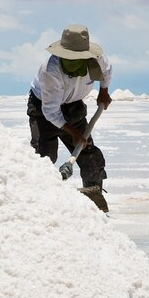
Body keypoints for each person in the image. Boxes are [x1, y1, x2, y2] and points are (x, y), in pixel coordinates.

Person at [27, 24, 112, 211]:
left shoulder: (97, 60)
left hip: (74, 106)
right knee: (44, 157)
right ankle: (39, 204)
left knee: (90, 154)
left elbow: (107, 71)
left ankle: (93, 199)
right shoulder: (50, 70)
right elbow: (50, 111)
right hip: (42, 108)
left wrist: (103, 91)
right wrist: (72, 132)